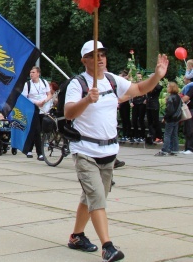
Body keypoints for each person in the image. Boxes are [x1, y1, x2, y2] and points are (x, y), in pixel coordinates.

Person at [64, 40, 168, 262]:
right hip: (85, 150)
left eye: (102, 54)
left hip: (109, 152)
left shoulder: (112, 80)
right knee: (97, 197)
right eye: (94, 55)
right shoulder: (78, 83)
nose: (100, 58)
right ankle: (107, 246)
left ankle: (76, 236)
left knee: (90, 196)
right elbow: (69, 112)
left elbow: (139, 89)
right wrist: (86, 100)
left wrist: (157, 76)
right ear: (85, 60)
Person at [21, 66, 51, 160]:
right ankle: (39, 153)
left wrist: (45, 101)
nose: (31, 74)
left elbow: (49, 94)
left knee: (38, 130)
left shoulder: (44, 82)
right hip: (33, 109)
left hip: (44, 109)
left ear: (38, 73)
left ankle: (29, 149)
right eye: (30, 72)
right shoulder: (27, 84)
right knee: (36, 130)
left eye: (33, 72)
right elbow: (25, 98)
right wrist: (36, 103)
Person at [156, 82, 181, 156]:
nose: (167, 88)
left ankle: (164, 150)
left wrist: (165, 117)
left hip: (171, 119)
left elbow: (170, 110)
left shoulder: (170, 98)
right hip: (177, 118)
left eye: (168, 87)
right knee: (174, 134)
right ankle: (175, 149)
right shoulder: (178, 97)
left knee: (167, 134)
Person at [130, 72, 147, 143]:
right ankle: (136, 135)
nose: (139, 78)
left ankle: (142, 136)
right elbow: (130, 93)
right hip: (135, 102)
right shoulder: (134, 84)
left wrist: (146, 99)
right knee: (134, 119)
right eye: (138, 77)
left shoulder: (143, 84)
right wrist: (130, 102)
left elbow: (147, 92)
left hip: (142, 102)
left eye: (140, 77)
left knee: (141, 119)